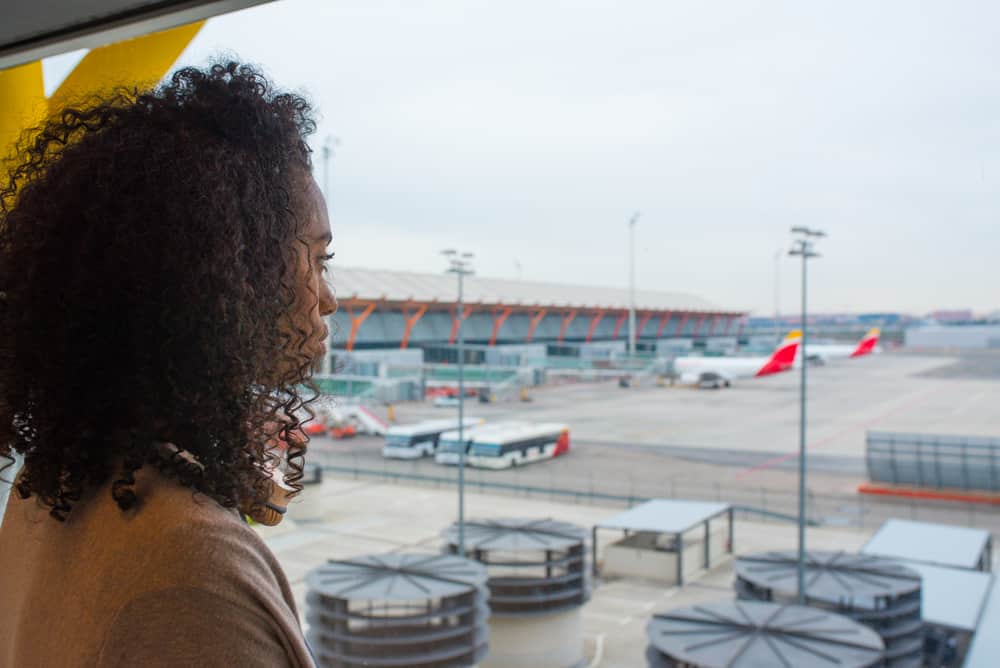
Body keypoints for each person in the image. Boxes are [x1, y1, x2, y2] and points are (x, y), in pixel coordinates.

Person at [0, 61, 335, 667]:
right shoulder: (194, 575)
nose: (329, 297)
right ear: (225, 276)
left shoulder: (46, 490)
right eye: (315, 260)